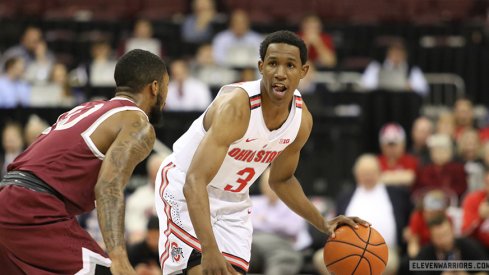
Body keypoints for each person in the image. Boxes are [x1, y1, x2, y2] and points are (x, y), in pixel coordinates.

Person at [155, 30, 367, 275]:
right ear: (261, 67)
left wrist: (323, 223)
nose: (280, 73)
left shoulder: (301, 121)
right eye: (273, 64)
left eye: (290, 65)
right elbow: (195, 180)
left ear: (303, 71)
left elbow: (282, 180)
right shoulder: (238, 107)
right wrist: (209, 248)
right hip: (185, 186)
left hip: (233, 200)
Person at [0, 49, 169, 275]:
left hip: (9, 197)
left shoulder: (87, 108)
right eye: (166, 87)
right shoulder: (137, 122)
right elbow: (108, 187)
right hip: (34, 208)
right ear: (155, 87)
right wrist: (118, 257)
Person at [314, 154, 412, 275]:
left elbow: (411, 215)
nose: (368, 176)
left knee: (388, 264)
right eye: (364, 173)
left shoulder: (397, 194)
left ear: (380, 172)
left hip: (385, 250)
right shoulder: (344, 197)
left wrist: (410, 229)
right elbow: (335, 224)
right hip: (346, 248)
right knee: (320, 258)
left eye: (371, 172)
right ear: (356, 175)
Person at [249, 169, 311, 275]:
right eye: (266, 184)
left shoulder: (294, 203)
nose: (269, 187)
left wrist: (265, 220)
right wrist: (275, 223)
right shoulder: (252, 201)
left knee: (281, 265)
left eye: (272, 183)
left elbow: (293, 228)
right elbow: (244, 223)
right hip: (253, 244)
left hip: (283, 246)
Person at [415, 215, 488, 275]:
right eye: (439, 237)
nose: (444, 239)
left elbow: (485, 271)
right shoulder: (425, 254)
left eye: (446, 234)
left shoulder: (468, 246)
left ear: (452, 231)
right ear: (432, 238)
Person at [361, 40, 429, 95]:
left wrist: (411, 87)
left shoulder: (413, 70)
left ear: (405, 54)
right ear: (388, 53)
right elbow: (365, 85)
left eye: (400, 52)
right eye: (394, 51)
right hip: (380, 104)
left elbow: (424, 90)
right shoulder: (376, 67)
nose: (397, 55)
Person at [126, 153, 167, 244]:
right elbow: (134, 231)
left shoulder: (178, 195)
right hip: (146, 245)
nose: (158, 175)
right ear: (150, 173)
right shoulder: (137, 197)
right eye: (155, 171)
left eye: (160, 170)